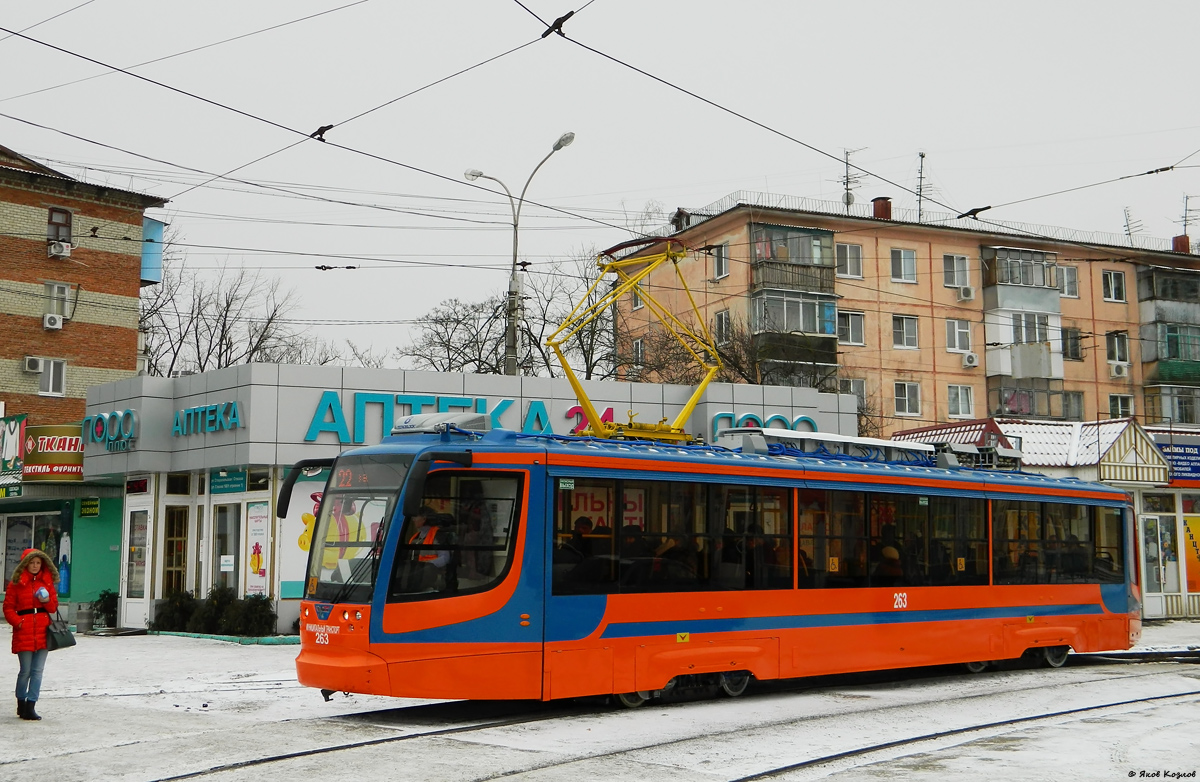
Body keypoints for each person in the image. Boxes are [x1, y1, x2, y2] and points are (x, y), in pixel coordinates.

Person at [4, 548, 59, 721]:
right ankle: (21, 703)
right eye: (32, 563)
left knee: (38, 671)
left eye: (38, 563)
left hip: (43, 630)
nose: (35, 566)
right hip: (24, 630)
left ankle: (31, 705)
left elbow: (53, 608)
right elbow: (8, 608)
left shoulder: (47, 582)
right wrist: (19, 622)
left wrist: (46, 600)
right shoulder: (16, 583)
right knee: (25, 671)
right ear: (25, 564)